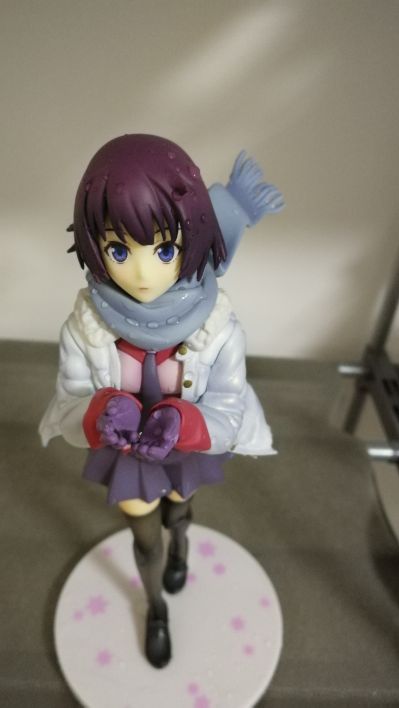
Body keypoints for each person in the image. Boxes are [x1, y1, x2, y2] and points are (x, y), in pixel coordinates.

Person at [39, 133, 283, 668]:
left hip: (187, 448)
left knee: (180, 513)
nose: (143, 273)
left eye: (165, 250)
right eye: (119, 250)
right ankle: (155, 609)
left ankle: (184, 545)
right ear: (94, 245)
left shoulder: (219, 328)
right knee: (145, 538)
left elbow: (229, 410)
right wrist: (101, 413)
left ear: (191, 239)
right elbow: (68, 403)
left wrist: (185, 422)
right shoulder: (84, 328)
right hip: (128, 456)